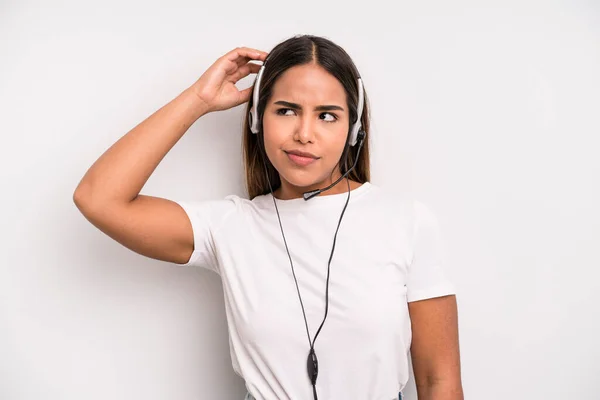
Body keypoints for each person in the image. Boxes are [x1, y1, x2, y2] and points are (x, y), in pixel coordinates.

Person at [73, 34, 464, 400]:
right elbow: (99, 198)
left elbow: (438, 380)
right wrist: (198, 99)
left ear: (354, 127)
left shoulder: (406, 221)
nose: (304, 133)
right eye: (286, 111)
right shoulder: (229, 227)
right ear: (259, 119)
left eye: (327, 115)